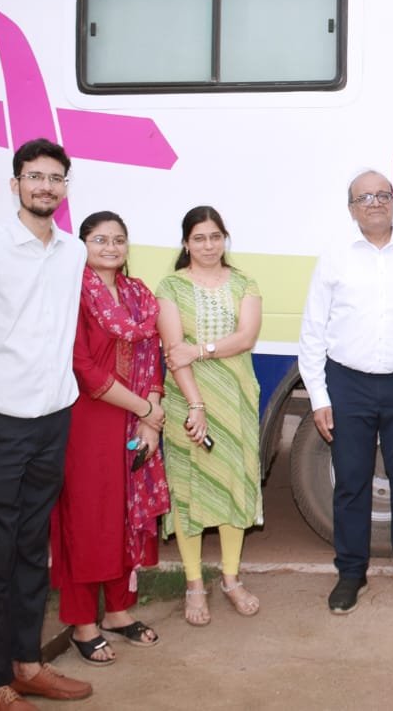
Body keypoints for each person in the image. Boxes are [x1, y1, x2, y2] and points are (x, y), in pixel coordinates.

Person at [0, 138, 93, 709]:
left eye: (55, 178)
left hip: (53, 420)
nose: (45, 186)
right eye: (35, 176)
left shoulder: (73, 252)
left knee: (33, 549)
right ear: (15, 184)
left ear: (65, 188)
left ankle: (28, 664)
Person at [298, 170, 393, 614]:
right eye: (365, 197)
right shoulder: (335, 258)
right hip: (349, 384)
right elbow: (313, 330)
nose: (375, 202)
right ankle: (350, 572)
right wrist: (320, 397)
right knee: (351, 482)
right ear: (351, 208)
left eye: (383, 194)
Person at [51, 212, 169, 666]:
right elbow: (82, 366)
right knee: (87, 520)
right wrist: (144, 409)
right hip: (88, 422)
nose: (111, 247)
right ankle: (83, 622)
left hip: (136, 420)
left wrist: (150, 415)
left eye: (119, 239)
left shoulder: (138, 294)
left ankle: (118, 612)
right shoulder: (72, 292)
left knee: (125, 515)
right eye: (100, 239)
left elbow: (152, 353)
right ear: (81, 244)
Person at [157, 206, 264, 626]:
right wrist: (195, 404)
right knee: (190, 489)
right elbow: (173, 351)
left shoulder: (244, 283)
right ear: (186, 243)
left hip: (235, 400)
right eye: (199, 238)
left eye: (215, 237)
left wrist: (200, 350)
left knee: (233, 484)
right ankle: (194, 584)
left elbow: (245, 337)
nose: (208, 245)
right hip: (188, 400)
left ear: (225, 239)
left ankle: (231, 579)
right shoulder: (170, 286)